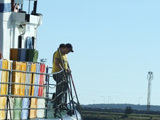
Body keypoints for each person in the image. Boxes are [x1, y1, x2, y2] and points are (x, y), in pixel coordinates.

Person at [52, 43, 73, 116]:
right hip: (58, 73)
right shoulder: (58, 53)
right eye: (68, 51)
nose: (68, 52)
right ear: (65, 48)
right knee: (61, 88)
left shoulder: (64, 55)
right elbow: (57, 63)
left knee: (65, 87)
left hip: (63, 74)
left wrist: (68, 70)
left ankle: (61, 102)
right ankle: (57, 103)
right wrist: (63, 70)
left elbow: (66, 64)